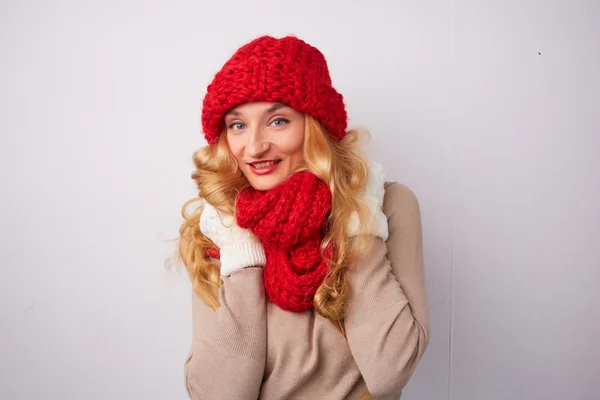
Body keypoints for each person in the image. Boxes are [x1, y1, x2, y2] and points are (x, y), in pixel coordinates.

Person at [178, 35, 429, 400]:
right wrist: (242, 249)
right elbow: (216, 395)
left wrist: (357, 215)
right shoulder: (216, 228)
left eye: (278, 121)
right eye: (237, 125)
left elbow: (390, 370)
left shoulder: (387, 205)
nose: (254, 146)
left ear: (315, 126)